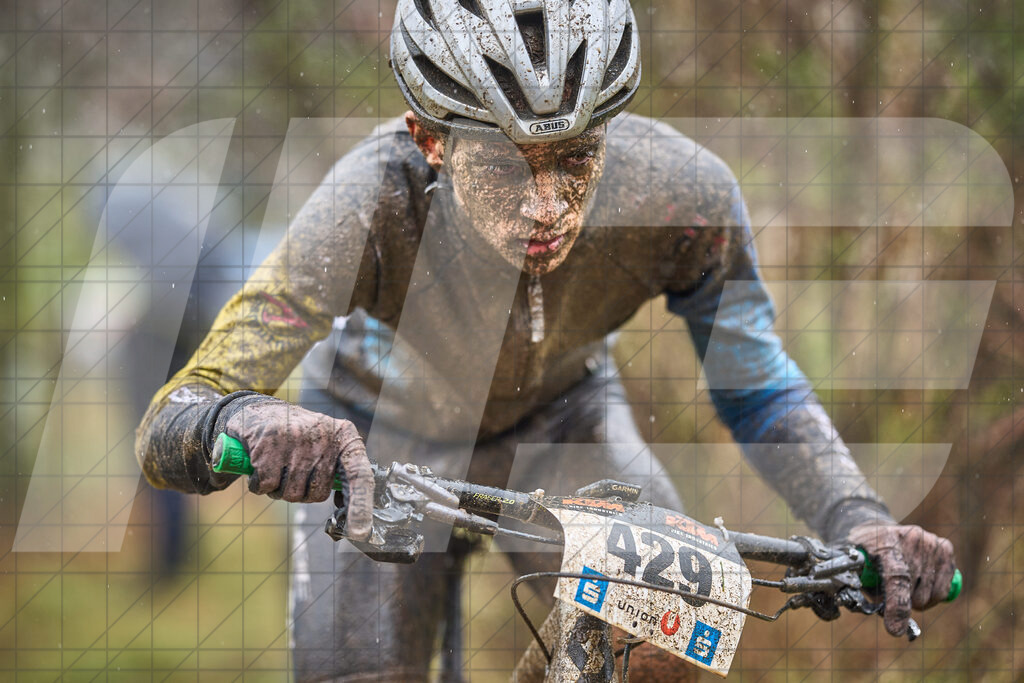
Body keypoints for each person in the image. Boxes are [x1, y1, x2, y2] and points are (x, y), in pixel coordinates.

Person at [135, 0, 958, 680]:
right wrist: (245, 420)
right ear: (430, 138)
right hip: (375, 433)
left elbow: (756, 381)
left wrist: (858, 516)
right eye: (503, 166)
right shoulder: (364, 205)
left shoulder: (681, 193)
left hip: (566, 423)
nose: (546, 206)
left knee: (671, 630)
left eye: (575, 159)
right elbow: (178, 411)